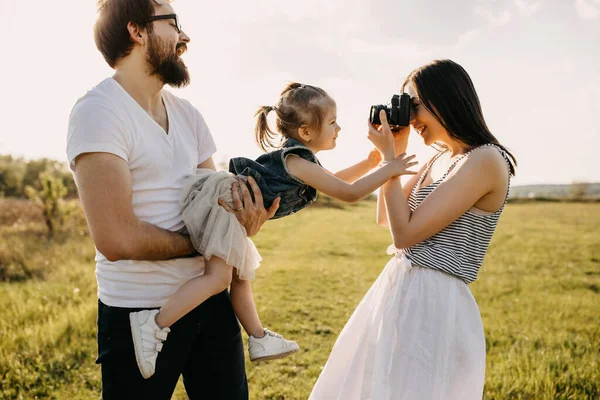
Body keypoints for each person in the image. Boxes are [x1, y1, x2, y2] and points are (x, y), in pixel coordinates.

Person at [129, 81, 420, 379]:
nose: (339, 128)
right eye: (333, 122)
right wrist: (389, 167)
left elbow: (335, 182)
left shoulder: (300, 161)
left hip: (229, 204)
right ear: (306, 132)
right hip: (227, 203)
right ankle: (154, 324)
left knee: (241, 277)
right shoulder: (296, 159)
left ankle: (258, 338)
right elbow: (347, 192)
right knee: (218, 278)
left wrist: (371, 162)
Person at [66, 0, 278, 398]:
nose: (184, 37)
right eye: (173, 23)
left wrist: (244, 219)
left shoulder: (189, 115)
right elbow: (116, 239)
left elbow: (220, 204)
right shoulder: (99, 112)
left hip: (213, 304)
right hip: (139, 315)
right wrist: (211, 242)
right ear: (138, 30)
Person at [309, 59, 518, 400]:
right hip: (399, 288)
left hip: (435, 301)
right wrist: (398, 152)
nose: (410, 118)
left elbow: (404, 235)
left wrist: (391, 162)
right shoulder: (437, 159)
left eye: (414, 106)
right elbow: (386, 218)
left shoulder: (485, 160)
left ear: (444, 98)